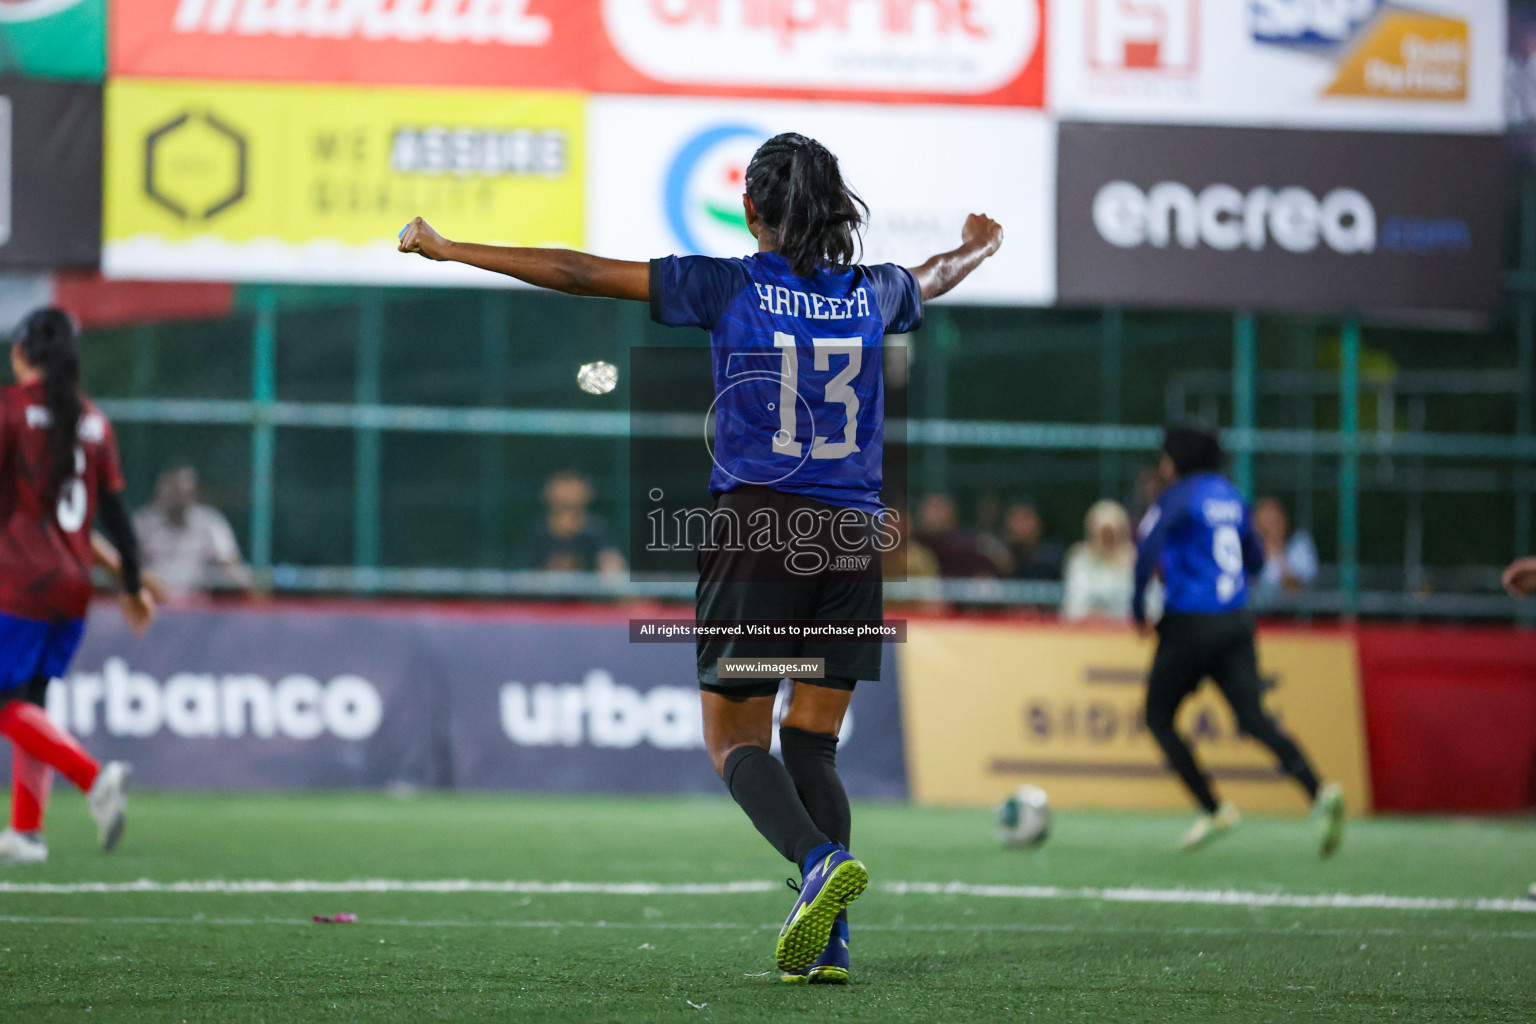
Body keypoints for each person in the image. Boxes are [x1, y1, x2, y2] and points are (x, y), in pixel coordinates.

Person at [399, 133, 1003, 982]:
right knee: (815, 743)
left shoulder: (728, 283)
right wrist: (979, 246)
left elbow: (578, 273)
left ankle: (817, 866)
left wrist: (449, 245)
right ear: (835, 211)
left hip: (758, 532)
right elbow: (933, 275)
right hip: (853, 539)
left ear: (754, 212)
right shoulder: (874, 293)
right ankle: (828, 938)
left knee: (731, 740)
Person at [1132, 425, 1344, 855]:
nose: (1161, 464)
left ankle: (1214, 808)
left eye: (1165, 456)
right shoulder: (1230, 496)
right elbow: (1255, 558)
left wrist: (1138, 605)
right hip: (1236, 621)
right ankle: (1319, 790)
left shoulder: (1177, 496)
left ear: (1177, 460)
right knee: (1253, 718)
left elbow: (1148, 545)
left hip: (1189, 621)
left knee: (1157, 716)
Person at [0, 308, 153, 865]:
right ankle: (26, 833)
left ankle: (95, 780)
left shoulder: (11, 410)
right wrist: (131, 582)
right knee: (31, 706)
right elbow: (113, 511)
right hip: (72, 589)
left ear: (22, 351)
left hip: (18, 584)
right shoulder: (93, 420)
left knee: (6, 706)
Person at [133, 463, 252, 599]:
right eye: (173, 489)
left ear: (193, 493)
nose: (177, 497)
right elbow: (126, 567)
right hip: (150, 601)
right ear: (160, 490)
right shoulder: (142, 523)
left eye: (183, 491)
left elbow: (230, 563)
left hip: (196, 607)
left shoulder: (210, 523)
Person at [512, 469, 626, 576]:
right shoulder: (536, 531)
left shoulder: (597, 531)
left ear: (587, 493)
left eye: (571, 484)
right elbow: (519, 576)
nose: (566, 493)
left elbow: (614, 575)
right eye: (562, 483)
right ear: (547, 493)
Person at [1061, 500, 1135, 621]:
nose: (1108, 539)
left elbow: (1150, 606)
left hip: (1126, 634)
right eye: (1103, 533)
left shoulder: (1135, 560)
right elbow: (1073, 605)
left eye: (1112, 533)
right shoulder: (1080, 560)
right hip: (1087, 633)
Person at [914, 493, 997, 579]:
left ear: (952, 513)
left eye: (939, 508)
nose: (935, 514)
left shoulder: (969, 544)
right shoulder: (912, 546)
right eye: (929, 509)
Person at [1251, 497, 1318, 598]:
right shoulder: (1248, 552)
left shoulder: (1299, 544)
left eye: (1274, 522)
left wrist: (1278, 553)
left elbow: (1297, 589)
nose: (1270, 529)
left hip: (1291, 612)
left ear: (1284, 520)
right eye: (1264, 525)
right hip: (1255, 612)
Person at [1000, 501, 1065, 581]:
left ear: (1039, 523)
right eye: (1016, 519)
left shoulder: (1054, 556)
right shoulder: (999, 556)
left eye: (1025, 518)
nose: (1021, 526)